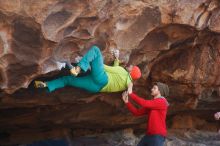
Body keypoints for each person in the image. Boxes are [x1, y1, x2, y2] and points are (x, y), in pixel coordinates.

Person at [34, 45, 141, 93]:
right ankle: (47, 85)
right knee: (68, 80)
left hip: (101, 78)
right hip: (96, 88)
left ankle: (79, 68)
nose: (130, 65)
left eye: (132, 67)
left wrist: (89, 63)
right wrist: (116, 59)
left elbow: (107, 68)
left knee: (95, 50)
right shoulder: (125, 83)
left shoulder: (123, 72)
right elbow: (115, 71)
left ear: (131, 72)